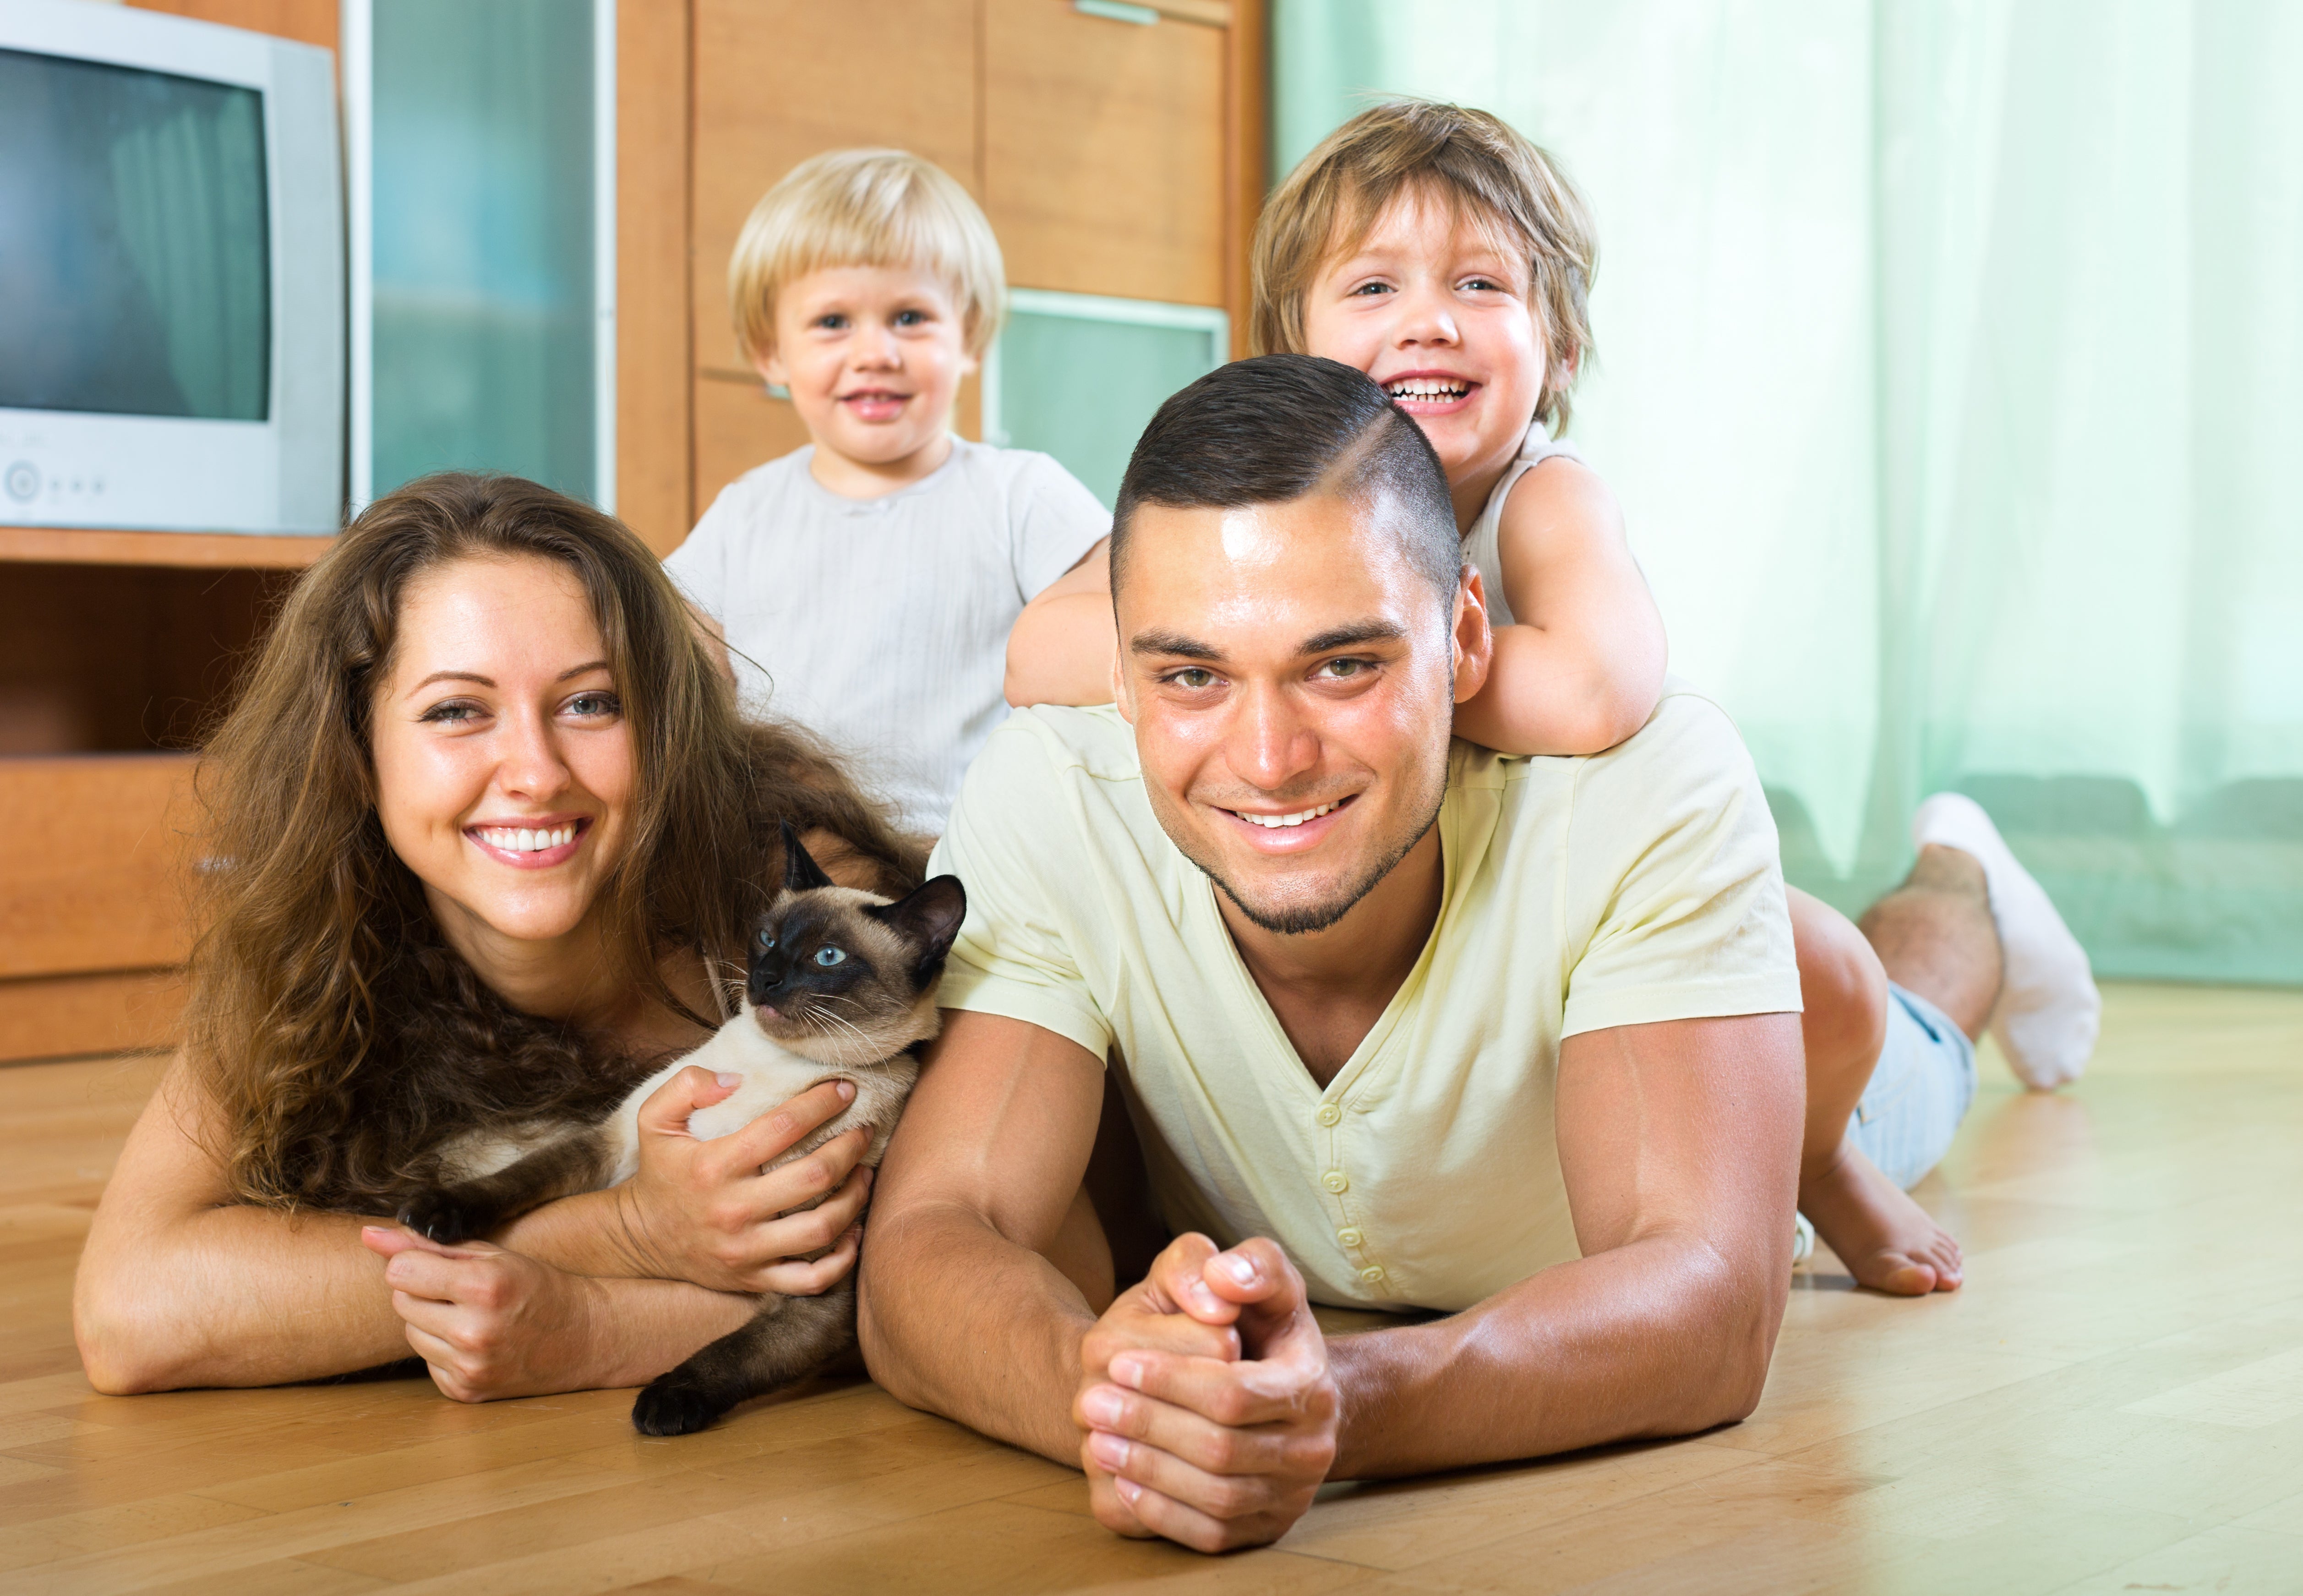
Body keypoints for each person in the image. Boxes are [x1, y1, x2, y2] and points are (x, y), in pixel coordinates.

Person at [1007, 98, 2103, 1296]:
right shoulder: (1240, 516)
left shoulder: (1541, 498)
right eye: (1372, 289)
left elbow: (1592, 684)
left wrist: (1386, 674)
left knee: (1839, 975)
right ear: (1288, 346)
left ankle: (1896, 1014)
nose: (1427, 319)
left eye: (1479, 286)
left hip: (1725, 1013)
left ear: (1559, 350)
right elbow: (1039, 646)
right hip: (1515, 1013)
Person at [864, 354, 1823, 1552]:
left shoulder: (1654, 782)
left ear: (1465, 635)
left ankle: (1954, 892)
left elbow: (1712, 1305)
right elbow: (929, 1240)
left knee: (1884, 1023)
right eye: (1191, 675)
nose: (1268, 759)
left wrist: (1341, 1404)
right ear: (1115, 671)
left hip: (1808, 1103)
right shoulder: (1048, 790)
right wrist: (1125, 1398)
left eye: (1342, 665)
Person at [73, 474, 919, 1400]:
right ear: (356, 754)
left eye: (591, 703)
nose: (534, 772)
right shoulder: (315, 934)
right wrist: (614, 1236)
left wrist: (597, 1327)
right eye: (456, 710)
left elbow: (947, 1267)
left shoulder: (799, 896)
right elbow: (130, 1311)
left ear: (664, 730)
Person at [665, 147, 1113, 837]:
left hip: (971, 853)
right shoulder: (745, 511)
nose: (875, 352)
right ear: (771, 351)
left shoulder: (1020, 493)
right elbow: (677, 653)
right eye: (833, 322)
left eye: (909, 318)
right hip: (785, 849)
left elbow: (1141, 614)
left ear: (969, 336)